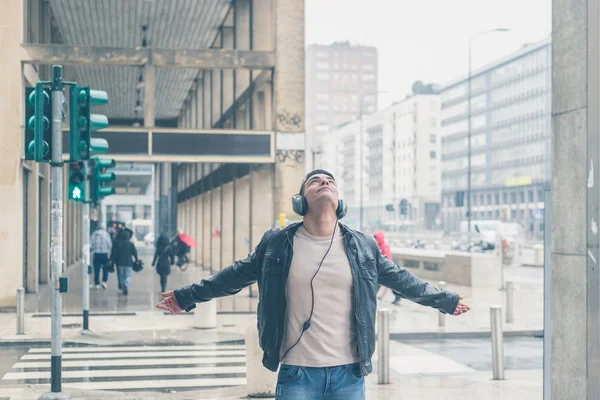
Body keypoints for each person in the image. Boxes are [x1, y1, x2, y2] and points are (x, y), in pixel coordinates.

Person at [157, 169, 470, 400]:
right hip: (297, 373)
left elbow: (403, 281)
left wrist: (444, 299)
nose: (324, 183)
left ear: (339, 200)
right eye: (315, 181)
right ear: (300, 201)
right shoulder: (277, 244)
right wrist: (187, 297)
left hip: (349, 373)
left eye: (330, 181)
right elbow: (235, 276)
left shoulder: (363, 246)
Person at [374, 231, 402, 305]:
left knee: (391, 285)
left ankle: (397, 298)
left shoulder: (384, 246)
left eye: (376, 238)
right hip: (381, 269)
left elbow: (387, 258)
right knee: (380, 284)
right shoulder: (378, 246)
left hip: (387, 269)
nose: (375, 240)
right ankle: (375, 297)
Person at [110, 228, 138, 296]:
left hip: (120, 263)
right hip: (129, 263)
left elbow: (114, 253)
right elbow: (135, 253)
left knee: (121, 276)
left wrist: (112, 261)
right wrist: (136, 260)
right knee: (128, 275)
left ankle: (123, 289)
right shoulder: (130, 244)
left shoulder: (117, 243)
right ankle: (126, 283)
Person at [90, 224, 112, 289]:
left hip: (96, 254)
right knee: (105, 269)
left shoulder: (93, 235)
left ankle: (97, 284)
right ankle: (104, 282)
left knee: (96, 270)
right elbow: (110, 245)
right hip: (104, 254)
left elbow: (91, 245)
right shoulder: (107, 235)